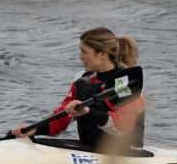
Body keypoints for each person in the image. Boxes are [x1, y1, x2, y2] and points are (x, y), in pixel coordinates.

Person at [12, 27, 145, 148]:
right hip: (89, 150)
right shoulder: (82, 79)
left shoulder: (127, 84)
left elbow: (123, 127)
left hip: (125, 154)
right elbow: (63, 117)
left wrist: (88, 111)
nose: (80, 57)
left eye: (84, 52)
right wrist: (35, 129)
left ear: (102, 54)